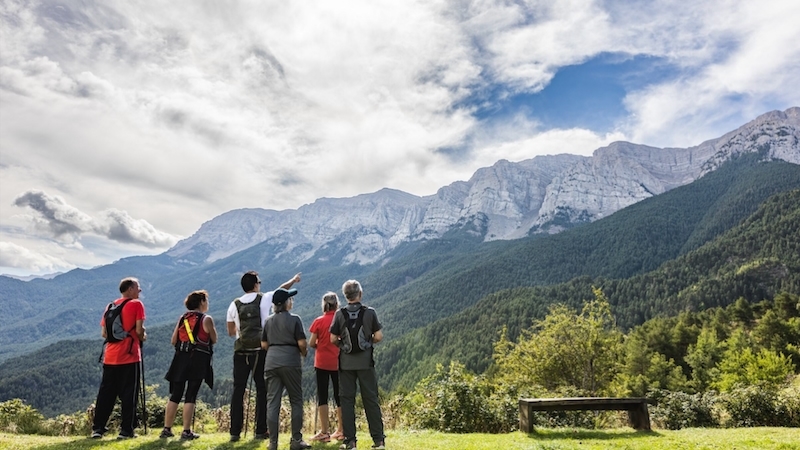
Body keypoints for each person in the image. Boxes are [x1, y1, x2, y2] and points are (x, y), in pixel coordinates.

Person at [227, 271, 301, 442]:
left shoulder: (234, 304)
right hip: (259, 351)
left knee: (238, 390)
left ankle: (234, 432)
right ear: (255, 285)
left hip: (240, 351)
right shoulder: (264, 298)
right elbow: (281, 290)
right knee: (262, 389)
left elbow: (231, 331)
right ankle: (260, 430)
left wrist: (241, 331)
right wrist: (294, 280)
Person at [329, 280, 385, 450]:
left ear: (345, 296)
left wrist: (343, 346)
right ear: (360, 294)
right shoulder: (370, 312)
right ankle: (378, 441)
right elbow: (379, 336)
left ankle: (350, 441)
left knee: (347, 401)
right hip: (365, 362)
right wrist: (368, 344)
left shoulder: (339, 314)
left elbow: (332, 339)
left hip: (346, 364)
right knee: (371, 399)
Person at [91, 277, 147, 440]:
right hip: (129, 356)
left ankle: (98, 428)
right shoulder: (137, 305)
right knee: (129, 394)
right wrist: (144, 335)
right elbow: (138, 331)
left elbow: (104, 334)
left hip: (110, 356)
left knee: (106, 393)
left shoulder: (111, 306)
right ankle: (126, 431)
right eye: (138, 287)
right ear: (130, 289)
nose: (140, 290)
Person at [161, 290, 218, 440]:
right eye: (206, 300)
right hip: (198, 359)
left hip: (180, 358)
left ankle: (167, 429)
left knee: (176, 394)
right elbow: (214, 339)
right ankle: (186, 431)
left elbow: (174, 340)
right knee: (191, 394)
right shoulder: (206, 319)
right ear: (201, 302)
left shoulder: (183, 318)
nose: (207, 303)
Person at [261, 288, 312, 450]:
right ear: (286, 303)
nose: (293, 301)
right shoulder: (295, 320)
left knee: (272, 403)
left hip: (271, 362)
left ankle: (273, 443)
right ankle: (296, 440)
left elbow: (264, 345)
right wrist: (304, 354)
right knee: (296, 400)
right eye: (291, 299)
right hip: (290, 361)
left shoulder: (268, 321)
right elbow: (302, 343)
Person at [308, 292, 344, 442]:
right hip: (338, 362)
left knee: (322, 396)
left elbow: (311, 343)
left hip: (322, 362)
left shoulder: (318, 321)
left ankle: (324, 432)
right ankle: (341, 430)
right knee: (339, 396)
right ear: (337, 304)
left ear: (324, 305)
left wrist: (320, 345)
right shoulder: (341, 320)